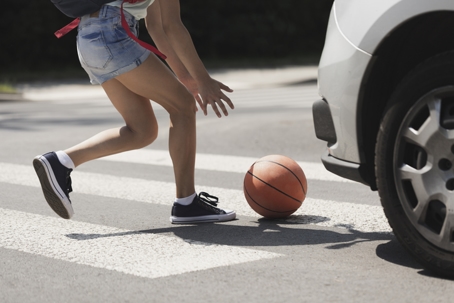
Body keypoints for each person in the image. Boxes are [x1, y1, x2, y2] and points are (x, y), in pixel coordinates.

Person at [32, 0, 236, 224]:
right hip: (112, 34)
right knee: (183, 107)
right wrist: (203, 79)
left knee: (142, 130)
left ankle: (61, 161)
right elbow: (172, 25)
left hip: (92, 37)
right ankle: (186, 203)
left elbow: (157, 26)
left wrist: (186, 77)